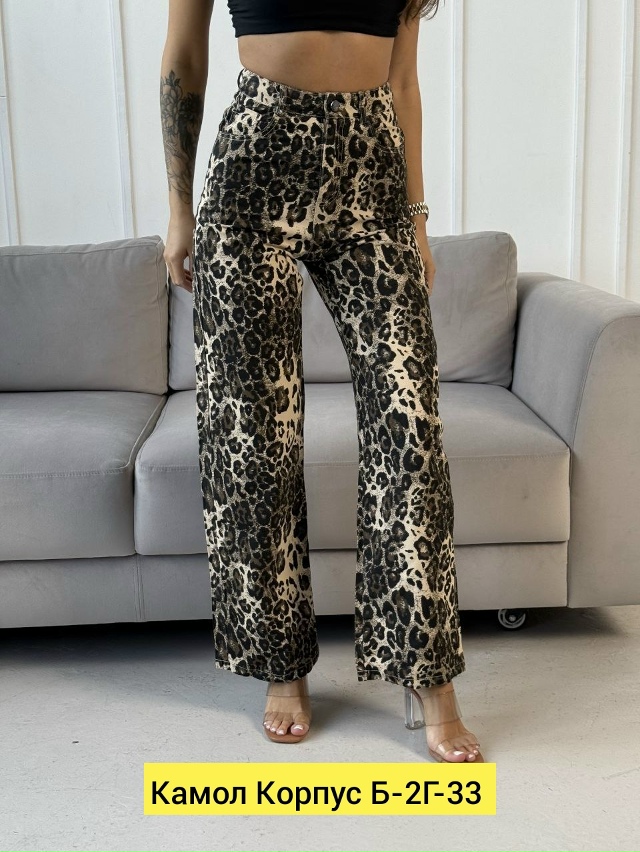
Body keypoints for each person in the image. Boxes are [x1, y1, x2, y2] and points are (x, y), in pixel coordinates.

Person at [160, 0, 483, 763]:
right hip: (254, 168)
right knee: (254, 436)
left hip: (373, 169)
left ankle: (429, 674)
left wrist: (416, 220)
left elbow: (403, 80)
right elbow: (184, 57)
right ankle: (282, 668)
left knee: (410, 428)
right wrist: (179, 211)